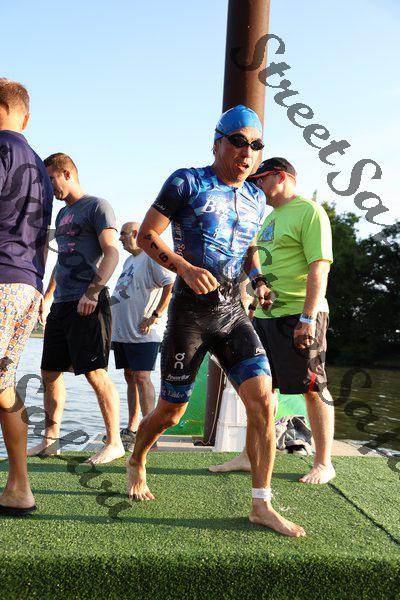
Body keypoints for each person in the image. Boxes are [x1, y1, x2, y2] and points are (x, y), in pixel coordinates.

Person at [126, 105, 306, 538]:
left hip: (232, 312)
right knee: (171, 412)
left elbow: (247, 247)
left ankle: (261, 504)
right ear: (217, 143)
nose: (247, 151)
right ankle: (137, 458)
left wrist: (258, 280)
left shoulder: (256, 197)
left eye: (256, 145)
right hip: (189, 314)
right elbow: (147, 235)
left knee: (264, 402)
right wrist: (184, 268)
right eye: (238, 142)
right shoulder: (187, 181)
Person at [210, 157, 335, 484]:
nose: (256, 186)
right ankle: (249, 456)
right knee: (261, 388)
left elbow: (319, 267)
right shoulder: (269, 218)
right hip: (265, 317)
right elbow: (259, 263)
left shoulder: (310, 211)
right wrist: (255, 302)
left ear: (280, 176)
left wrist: (308, 317)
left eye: (260, 179)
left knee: (313, 387)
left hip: (300, 315)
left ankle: (323, 463)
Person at [28, 153, 124, 464]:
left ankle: (114, 442)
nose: (49, 186)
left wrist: (92, 292)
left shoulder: (97, 206)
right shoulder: (62, 215)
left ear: (67, 173)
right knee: (49, 373)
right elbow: (62, 261)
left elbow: (112, 252)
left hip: (89, 302)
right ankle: (51, 439)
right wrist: (47, 297)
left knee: (95, 373)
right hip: (62, 303)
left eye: (51, 179)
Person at [0, 78, 53, 516]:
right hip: (26, 285)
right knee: (3, 386)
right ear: (26, 117)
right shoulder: (38, 165)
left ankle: (20, 488)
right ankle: (18, 487)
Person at [108, 221, 174, 451]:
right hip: (123, 332)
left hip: (144, 333)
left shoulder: (151, 257)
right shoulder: (129, 261)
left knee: (142, 377)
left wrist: (155, 315)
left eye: (123, 234)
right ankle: (133, 427)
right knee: (129, 376)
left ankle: (150, 433)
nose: (120, 239)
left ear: (136, 234)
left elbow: (170, 284)